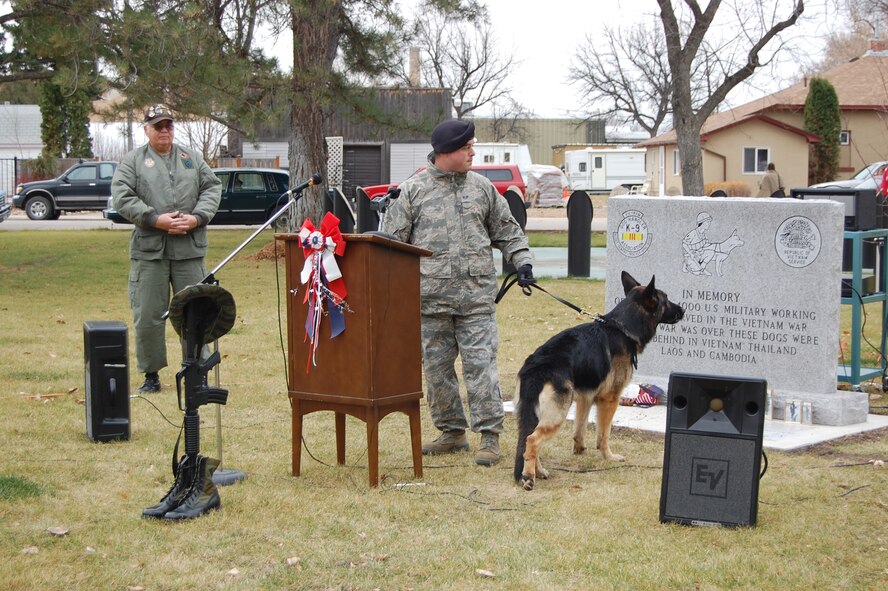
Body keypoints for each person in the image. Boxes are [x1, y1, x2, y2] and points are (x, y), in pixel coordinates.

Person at [380, 119, 535, 466]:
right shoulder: (413, 191)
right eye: (467, 148)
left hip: (476, 300)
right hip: (430, 302)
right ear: (446, 152)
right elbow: (390, 244)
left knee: (481, 367)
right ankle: (452, 433)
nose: (473, 153)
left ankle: (490, 436)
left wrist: (522, 262)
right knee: (437, 373)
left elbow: (508, 232)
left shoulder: (482, 189)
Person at [111, 104, 222, 393]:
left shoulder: (191, 158)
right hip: (151, 253)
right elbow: (122, 196)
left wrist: (197, 217)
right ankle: (151, 374)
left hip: (189, 250)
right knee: (148, 313)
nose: (163, 131)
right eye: (157, 126)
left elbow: (212, 188)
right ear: (146, 129)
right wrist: (154, 219)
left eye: (168, 126)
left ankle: (198, 370)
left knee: (195, 312)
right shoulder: (133, 161)